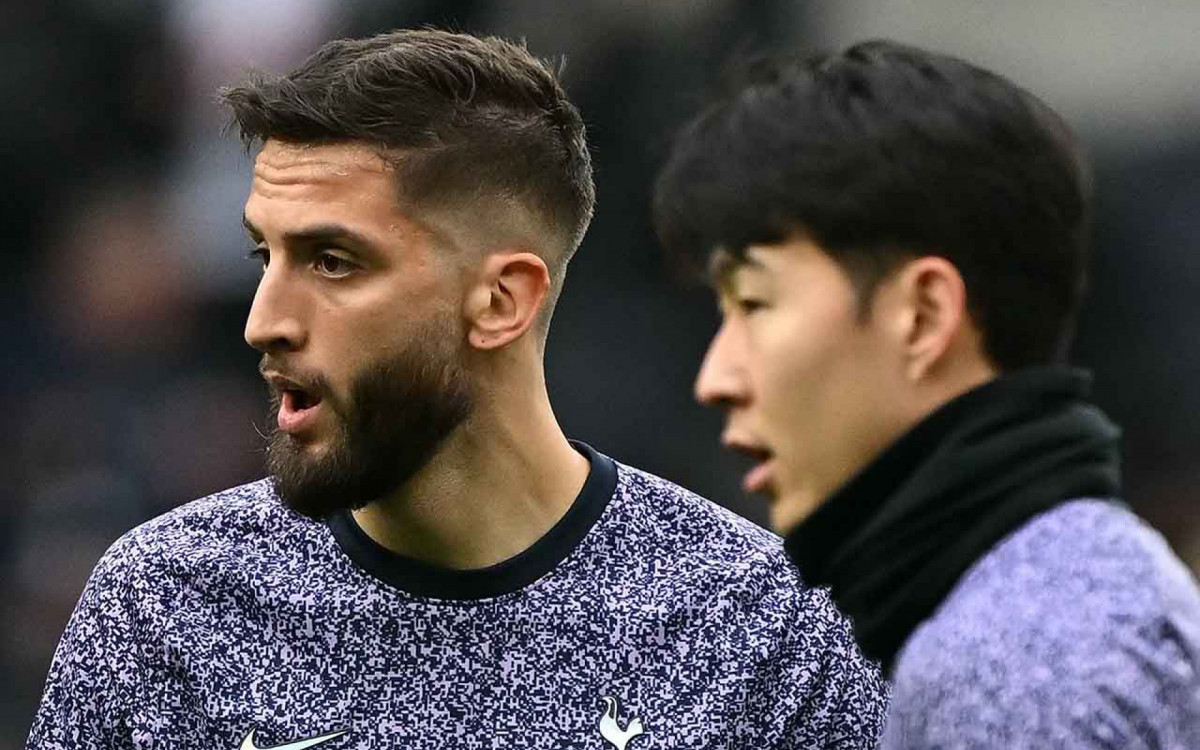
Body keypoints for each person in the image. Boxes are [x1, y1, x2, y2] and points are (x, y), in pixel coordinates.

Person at [27, 29, 888, 749]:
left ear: (501, 300)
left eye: (332, 261)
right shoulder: (165, 605)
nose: (263, 321)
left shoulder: (758, 627)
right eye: (265, 256)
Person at [654, 39, 1200, 748]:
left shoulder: (1006, 673)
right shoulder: (1085, 594)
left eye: (755, 304)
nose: (716, 378)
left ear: (923, 315)